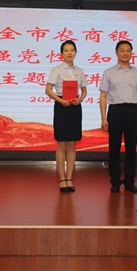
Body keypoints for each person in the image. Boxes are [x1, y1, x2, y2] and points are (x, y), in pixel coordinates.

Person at [99, 40, 137, 194]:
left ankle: (129, 181)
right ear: (116, 53)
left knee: (131, 148)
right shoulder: (109, 72)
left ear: (131, 53)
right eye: (122, 50)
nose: (125, 53)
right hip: (115, 111)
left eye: (128, 50)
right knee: (114, 148)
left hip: (133, 112)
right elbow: (103, 96)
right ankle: (115, 181)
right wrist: (103, 118)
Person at [45, 40, 87, 193]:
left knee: (72, 145)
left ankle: (69, 178)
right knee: (61, 144)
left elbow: (84, 90)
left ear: (75, 52)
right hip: (61, 106)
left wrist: (80, 98)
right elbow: (48, 90)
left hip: (75, 107)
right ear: (61, 53)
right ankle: (62, 178)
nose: (69, 53)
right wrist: (61, 101)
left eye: (72, 50)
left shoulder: (80, 71)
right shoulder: (56, 70)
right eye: (66, 50)